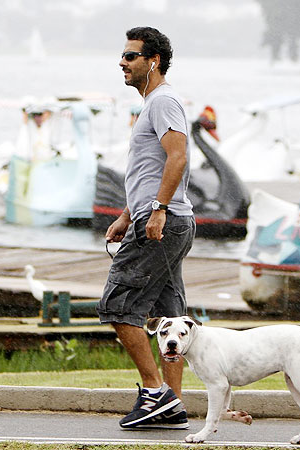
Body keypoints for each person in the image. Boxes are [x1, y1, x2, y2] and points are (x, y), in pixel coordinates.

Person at [96, 26, 195, 430]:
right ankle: (174, 407)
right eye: (123, 55)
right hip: (162, 219)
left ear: (152, 61)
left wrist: (156, 210)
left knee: (118, 305)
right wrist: (127, 214)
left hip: (163, 222)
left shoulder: (163, 102)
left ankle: (155, 393)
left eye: (131, 56)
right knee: (169, 316)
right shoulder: (153, 104)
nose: (122, 62)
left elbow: (178, 157)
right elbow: (150, 169)